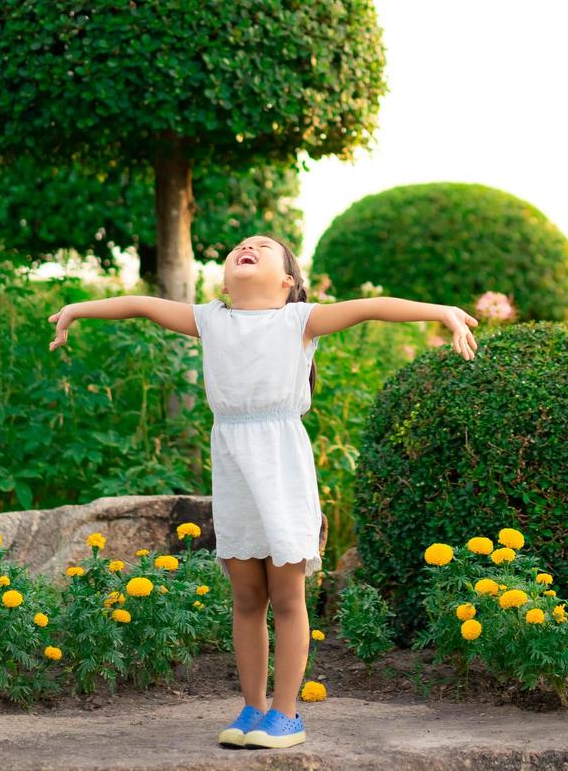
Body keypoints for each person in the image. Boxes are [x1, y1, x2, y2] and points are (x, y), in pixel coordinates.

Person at [47, 234, 479, 749]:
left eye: (261, 247)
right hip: (233, 469)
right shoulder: (210, 320)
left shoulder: (298, 320)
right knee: (247, 595)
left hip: (281, 467)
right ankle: (252, 708)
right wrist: (77, 308)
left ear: (287, 282)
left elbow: (372, 308)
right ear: (225, 282)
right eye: (239, 247)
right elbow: (140, 305)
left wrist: (442, 312)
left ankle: (287, 714)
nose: (246, 247)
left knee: (288, 594)